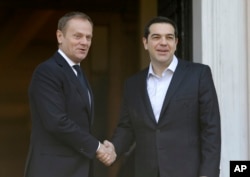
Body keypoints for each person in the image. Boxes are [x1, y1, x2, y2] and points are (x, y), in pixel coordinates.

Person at [99, 16, 221, 177]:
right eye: (156, 37)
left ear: (176, 43)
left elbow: (211, 128)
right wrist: (114, 148)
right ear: (145, 43)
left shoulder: (198, 75)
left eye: (169, 37)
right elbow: (127, 127)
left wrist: (208, 173)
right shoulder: (133, 84)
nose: (163, 42)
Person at [24, 11, 115, 177]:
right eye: (77, 36)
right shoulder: (47, 71)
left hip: (76, 169)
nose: (84, 42)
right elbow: (57, 122)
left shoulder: (78, 72)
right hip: (53, 170)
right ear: (60, 36)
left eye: (89, 37)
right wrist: (98, 147)